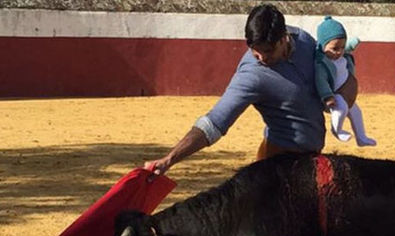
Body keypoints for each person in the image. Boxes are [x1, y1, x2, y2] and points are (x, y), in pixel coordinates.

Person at [145, 4, 334, 175]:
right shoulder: (252, 75)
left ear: (283, 38)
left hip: (312, 159)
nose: (261, 57)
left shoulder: (303, 40)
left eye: (268, 51)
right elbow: (214, 123)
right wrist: (170, 159)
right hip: (277, 166)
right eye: (255, 50)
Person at [315, 16, 376, 147]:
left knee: (356, 112)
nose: (339, 52)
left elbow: (346, 47)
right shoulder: (321, 63)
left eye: (342, 48)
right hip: (334, 96)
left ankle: (361, 137)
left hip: (346, 95)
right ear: (322, 46)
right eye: (335, 49)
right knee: (341, 108)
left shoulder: (341, 53)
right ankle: (337, 130)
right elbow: (321, 81)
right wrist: (327, 96)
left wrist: (354, 42)